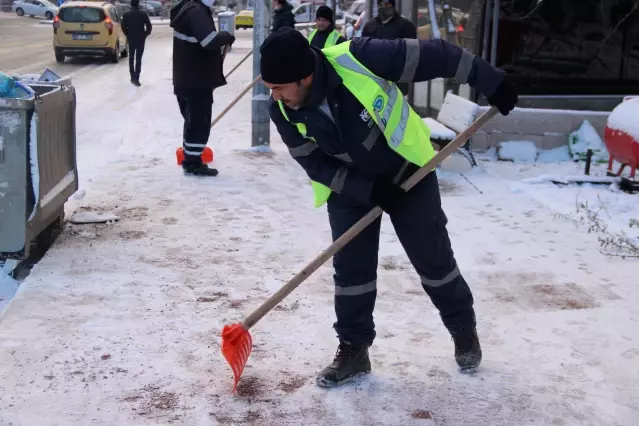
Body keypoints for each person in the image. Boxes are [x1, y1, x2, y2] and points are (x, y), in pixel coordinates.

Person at [260, 28, 518, 388]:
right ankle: (353, 349)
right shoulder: (281, 109)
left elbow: (434, 55)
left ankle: (462, 329)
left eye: (278, 87)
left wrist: (489, 79)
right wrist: (367, 190)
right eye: (270, 87)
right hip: (350, 187)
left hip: (408, 168)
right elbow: (314, 163)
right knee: (351, 271)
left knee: (433, 260)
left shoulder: (359, 57)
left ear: (306, 76)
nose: (274, 97)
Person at [169, 0, 235, 176]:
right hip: (196, 79)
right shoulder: (197, 12)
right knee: (199, 122)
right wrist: (226, 36)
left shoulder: (189, 8)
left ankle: (190, 156)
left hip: (186, 77)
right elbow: (209, 41)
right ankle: (192, 163)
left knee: (192, 120)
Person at [362, 0, 417, 95]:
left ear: (392, 5)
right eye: (380, 4)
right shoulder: (370, 26)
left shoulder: (406, 26)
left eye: (387, 4)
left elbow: (411, 53)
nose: (383, 7)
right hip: (375, 80)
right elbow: (363, 50)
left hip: (397, 80)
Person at [121, 0, 152, 86]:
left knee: (131, 58)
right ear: (138, 4)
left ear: (131, 4)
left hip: (131, 39)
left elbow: (123, 26)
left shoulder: (126, 14)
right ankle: (136, 78)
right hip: (141, 39)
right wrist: (145, 35)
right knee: (138, 59)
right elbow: (149, 27)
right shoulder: (143, 14)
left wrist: (127, 34)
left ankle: (132, 77)